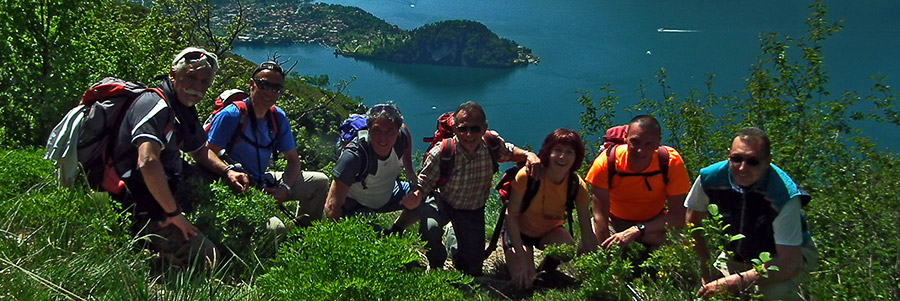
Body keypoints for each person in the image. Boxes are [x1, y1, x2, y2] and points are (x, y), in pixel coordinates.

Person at [111, 47, 249, 267]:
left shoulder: (183, 109)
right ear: (173, 74)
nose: (197, 87)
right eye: (191, 77)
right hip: (138, 203)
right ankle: (149, 263)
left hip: (162, 193)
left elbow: (200, 151)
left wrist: (227, 171)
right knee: (209, 259)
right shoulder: (155, 105)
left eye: (204, 82)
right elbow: (147, 161)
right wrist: (173, 213)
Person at [402, 101, 541, 276]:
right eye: (462, 129)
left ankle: (453, 237)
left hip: (472, 210)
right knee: (429, 228)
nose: (468, 134)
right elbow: (424, 182)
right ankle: (436, 263)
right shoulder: (442, 152)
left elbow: (510, 152)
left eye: (475, 129)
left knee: (471, 270)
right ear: (454, 129)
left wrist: (529, 155)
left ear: (484, 128)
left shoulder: (491, 145)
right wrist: (416, 195)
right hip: (443, 202)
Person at [685, 127, 817, 299]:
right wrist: (706, 268)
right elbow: (692, 221)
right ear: (728, 155)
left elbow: (788, 264)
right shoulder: (710, 178)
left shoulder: (783, 195)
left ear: (768, 161)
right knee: (709, 293)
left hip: (786, 256)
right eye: (736, 159)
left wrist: (733, 282)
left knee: (771, 294)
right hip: (737, 255)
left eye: (753, 161)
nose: (742, 168)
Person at [206, 61, 329, 228]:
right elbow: (207, 152)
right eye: (264, 85)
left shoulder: (277, 117)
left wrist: (284, 188)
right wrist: (228, 172)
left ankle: (303, 235)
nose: (269, 92)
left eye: (276, 88)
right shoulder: (231, 115)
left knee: (320, 182)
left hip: (262, 179)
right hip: (235, 184)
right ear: (251, 84)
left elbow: (293, 160)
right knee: (276, 228)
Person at [503, 129, 598, 289]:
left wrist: (596, 265)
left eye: (569, 152)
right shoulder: (528, 176)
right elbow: (510, 215)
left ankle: (546, 270)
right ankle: (525, 263)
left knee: (567, 250)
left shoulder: (576, 185)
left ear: (576, 157)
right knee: (525, 283)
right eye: (557, 150)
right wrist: (520, 254)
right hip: (518, 233)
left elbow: (586, 230)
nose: (562, 157)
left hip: (549, 233)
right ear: (548, 153)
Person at [583, 115, 691, 251]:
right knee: (585, 247)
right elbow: (600, 218)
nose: (640, 150)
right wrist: (608, 255)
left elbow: (678, 216)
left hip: (653, 222)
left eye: (648, 144)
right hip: (614, 222)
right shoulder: (606, 163)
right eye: (635, 142)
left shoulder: (670, 162)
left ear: (658, 143)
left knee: (680, 247)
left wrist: (637, 230)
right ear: (625, 138)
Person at [325, 103, 418, 234]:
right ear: (368, 129)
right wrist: (337, 238)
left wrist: (415, 189)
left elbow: (409, 168)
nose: (383, 139)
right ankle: (381, 235)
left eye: (390, 132)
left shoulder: (402, 137)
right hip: (358, 205)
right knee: (375, 240)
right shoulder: (354, 156)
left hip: (387, 193)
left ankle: (395, 232)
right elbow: (331, 206)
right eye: (377, 131)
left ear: (397, 132)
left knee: (428, 196)